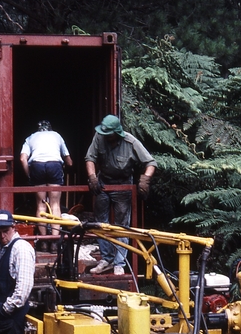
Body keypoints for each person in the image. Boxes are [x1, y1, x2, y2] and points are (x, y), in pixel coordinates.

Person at [85, 114, 157, 275]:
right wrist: (92, 177)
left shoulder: (130, 142)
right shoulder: (99, 137)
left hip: (123, 185)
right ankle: (106, 259)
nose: (104, 135)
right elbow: (90, 158)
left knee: (121, 225)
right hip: (103, 183)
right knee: (100, 222)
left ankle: (119, 263)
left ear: (116, 132)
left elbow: (150, 162)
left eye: (108, 133)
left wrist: (145, 179)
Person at [20, 120, 73, 245]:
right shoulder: (57, 135)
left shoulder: (31, 137)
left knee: (41, 205)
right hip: (54, 165)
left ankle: (43, 241)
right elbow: (69, 161)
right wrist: (67, 165)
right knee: (55, 204)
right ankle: (55, 241)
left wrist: (30, 175)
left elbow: (22, 158)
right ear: (50, 128)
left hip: (37, 166)